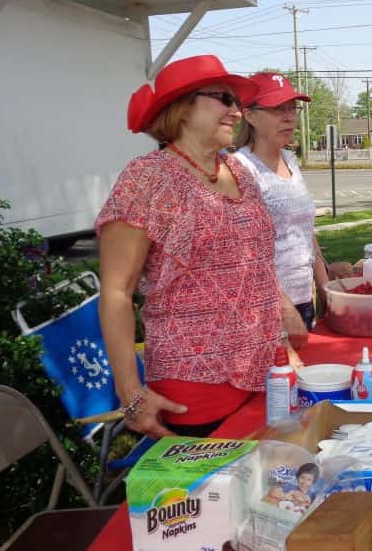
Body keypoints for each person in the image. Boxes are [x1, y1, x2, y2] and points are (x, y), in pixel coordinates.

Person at [96, 55, 290, 440]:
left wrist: (284, 339)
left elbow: (256, 266)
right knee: (215, 495)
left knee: (276, 486)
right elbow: (116, 292)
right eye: (224, 98)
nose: (237, 111)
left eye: (237, 102)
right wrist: (131, 394)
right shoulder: (147, 177)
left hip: (267, 369)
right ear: (181, 108)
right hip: (197, 385)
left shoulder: (235, 169)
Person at [234, 73, 350, 335]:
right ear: (249, 116)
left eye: (291, 108)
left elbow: (307, 234)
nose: (288, 117)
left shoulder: (290, 160)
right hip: (263, 309)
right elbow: (244, 253)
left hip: (302, 300)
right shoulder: (240, 168)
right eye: (277, 109)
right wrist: (282, 308)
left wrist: (325, 289)